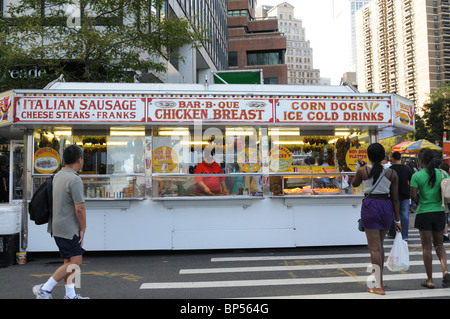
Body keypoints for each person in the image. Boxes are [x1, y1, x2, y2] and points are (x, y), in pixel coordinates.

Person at [33, 145, 88, 299]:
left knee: (68, 262)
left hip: (57, 227)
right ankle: (44, 288)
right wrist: (83, 228)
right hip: (68, 229)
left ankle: (70, 295)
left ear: (63, 160)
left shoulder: (57, 176)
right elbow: (79, 209)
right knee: (76, 262)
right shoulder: (74, 179)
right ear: (79, 159)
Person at [352, 143, 401, 295]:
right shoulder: (392, 173)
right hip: (386, 207)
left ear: (369, 156)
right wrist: (398, 221)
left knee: (374, 248)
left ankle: (378, 286)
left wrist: (360, 167)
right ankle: (380, 280)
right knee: (379, 245)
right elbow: (395, 199)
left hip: (370, 206)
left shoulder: (362, 170)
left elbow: (354, 184)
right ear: (383, 156)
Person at [410, 148, 450, 289]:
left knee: (426, 248)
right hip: (439, 212)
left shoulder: (417, 176)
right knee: (439, 245)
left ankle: (430, 280)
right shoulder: (443, 173)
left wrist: (421, 200)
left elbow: (414, 197)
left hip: (423, 213)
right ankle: (445, 271)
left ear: (421, 160)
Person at [388, 151, 413, 240]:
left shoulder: (390, 169)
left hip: (393, 195)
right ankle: (404, 235)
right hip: (405, 194)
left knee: (394, 214)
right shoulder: (406, 168)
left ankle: (393, 233)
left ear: (393, 158)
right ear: (400, 158)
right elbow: (410, 180)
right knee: (405, 214)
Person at [439, 162, 450, 242]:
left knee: (445, 217)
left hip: (445, 200)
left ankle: (445, 234)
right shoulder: (448, 176)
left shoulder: (442, 177)